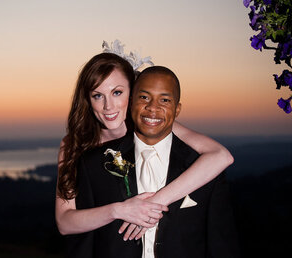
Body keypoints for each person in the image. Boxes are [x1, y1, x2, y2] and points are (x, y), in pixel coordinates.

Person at [55, 53, 234, 255]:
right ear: (88, 99)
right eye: (98, 95)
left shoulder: (150, 122)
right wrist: (119, 210)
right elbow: (65, 222)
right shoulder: (74, 143)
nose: (108, 106)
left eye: (117, 93)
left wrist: (155, 202)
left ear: (133, 94)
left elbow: (220, 156)